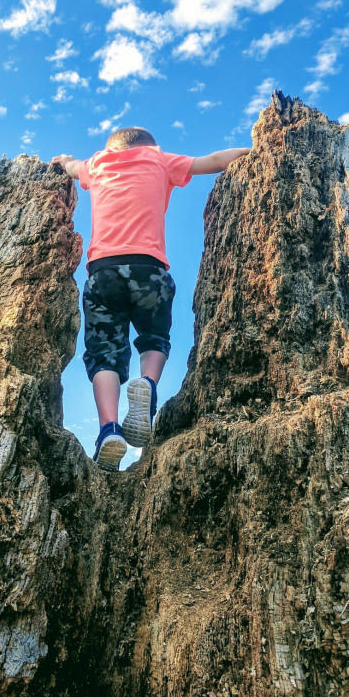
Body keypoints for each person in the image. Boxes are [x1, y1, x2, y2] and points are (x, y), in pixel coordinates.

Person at [52, 127, 249, 470]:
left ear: (110, 149)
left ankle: (109, 430)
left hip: (103, 272)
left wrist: (64, 160)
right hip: (150, 268)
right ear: (151, 147)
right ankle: (147, 383)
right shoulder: (160, 160)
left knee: (104, 356)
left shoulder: (97, 164)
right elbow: (214, 161)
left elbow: (71, 166)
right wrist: (257, 148)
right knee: (153, 338)